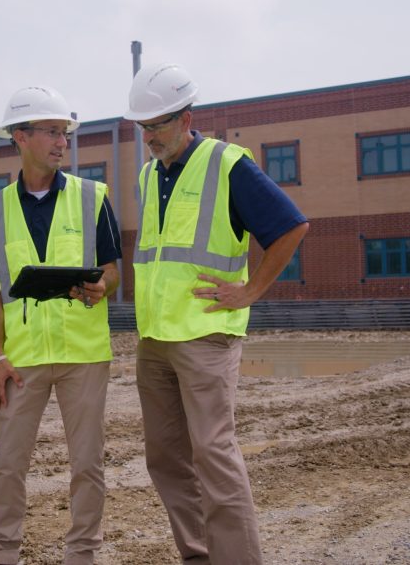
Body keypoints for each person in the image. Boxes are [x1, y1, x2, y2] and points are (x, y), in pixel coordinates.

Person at [125, 63, 309, 565]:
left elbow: (290, 226)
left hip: (207, 337)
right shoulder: (148, 175)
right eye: (142, 128)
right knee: (165, 458)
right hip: (155, 340)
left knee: (213, 454)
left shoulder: (228, 165)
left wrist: (251, 290)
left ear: (187, 118)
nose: (149, 137)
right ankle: (199, 555)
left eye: (157, 125)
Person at [0, 86, 123, 565]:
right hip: (20, 359)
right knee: (8, 464)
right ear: (21, 136)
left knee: (88, 465)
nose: (63, 142)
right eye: (53, 132)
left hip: (83, 354)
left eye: (65, 133)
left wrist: (103, 285)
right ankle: (3, 555)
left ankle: (82, 555)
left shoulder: (92, 197)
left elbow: (114, 268)